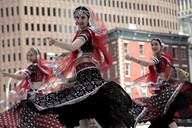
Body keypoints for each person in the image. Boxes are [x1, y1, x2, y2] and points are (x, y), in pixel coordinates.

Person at [28, 6, 147, 128]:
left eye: (82, 17)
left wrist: (55, 42)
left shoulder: (87, 32)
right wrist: (65, 57)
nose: (79, 20)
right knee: (83, 108)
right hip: (82, 75)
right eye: (77, 17)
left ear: (88, 18)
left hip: (89, 73)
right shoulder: (81, 33)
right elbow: (75, 52)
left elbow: (72, 47)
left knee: (84, 105)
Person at [126, 38, 190, 128]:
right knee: (162, 118)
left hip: (164, 92)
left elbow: (146, 63)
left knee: (157, 113)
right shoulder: (159, 58)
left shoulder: (160, 58)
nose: (154, 46)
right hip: (160, 92)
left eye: (156, 44)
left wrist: (132, 58)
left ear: (161, 46)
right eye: (152, 45)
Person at [0, 47, 64, 127]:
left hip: (38, 95)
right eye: (28, 56)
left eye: (31, 55)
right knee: (38, 115)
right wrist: (8, 74)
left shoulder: (42, 67)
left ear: (37, 55)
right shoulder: (34, 67)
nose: (29, 57)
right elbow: (21, 77)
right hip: (34, 96)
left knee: (39, 115)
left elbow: (56, 70)